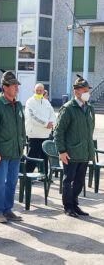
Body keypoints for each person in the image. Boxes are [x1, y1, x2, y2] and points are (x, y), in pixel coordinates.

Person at [0, 71, 26, 223]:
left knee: (11, 183)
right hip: (1, 153)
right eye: (14, 86)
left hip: (15, 152)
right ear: (5, 87)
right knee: (0, 183)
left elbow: (22, 128)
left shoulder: (18, 105)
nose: (17, 88)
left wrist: (21, 145)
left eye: (17, 86)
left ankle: (8, 210)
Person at [54, 75, 95, 218]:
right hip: (70, 152)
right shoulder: (68, 108)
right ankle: (68, 206)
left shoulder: (89, 108)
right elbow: (58, 131)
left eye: (87, 90)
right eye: (84, 90)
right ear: (76, 92)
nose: (87, 92)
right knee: (68, 180)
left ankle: (75, 204)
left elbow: (90, 130)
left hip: (84, 151)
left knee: (79, 181)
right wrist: (62, 150)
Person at [25, 83, 56, 175]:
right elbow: (32, 117)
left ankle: (44, 175)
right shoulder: (30, 102)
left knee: (44, 157)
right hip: (34, 134)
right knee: (32, 156)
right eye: (37, 90)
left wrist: (51, 123)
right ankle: (27, 174)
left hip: (45, 134)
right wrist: (46, 123)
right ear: (34, 91)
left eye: (40, 90)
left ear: (43, 91)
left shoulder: (47, 102)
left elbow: (52, 114)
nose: (39, 92)